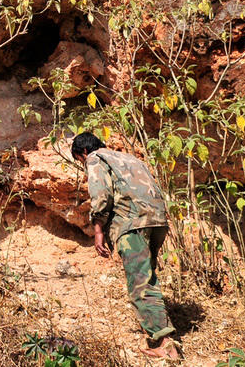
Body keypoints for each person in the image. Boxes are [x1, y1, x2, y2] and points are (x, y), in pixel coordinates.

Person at [70, 131, 180, 361]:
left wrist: (98, 230)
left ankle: (165, 344)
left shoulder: (94, 158)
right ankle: (157, 329)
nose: (83, 164)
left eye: (80, 161)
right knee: (147, 277)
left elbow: (101, 195)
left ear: (83, 152)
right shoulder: (130, 158)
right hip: (158, 221)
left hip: (132, 224)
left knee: (140, 283)